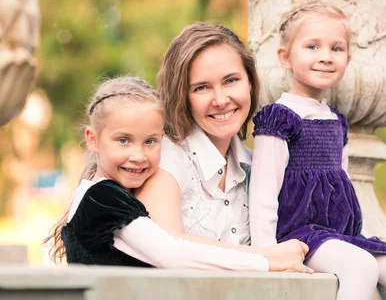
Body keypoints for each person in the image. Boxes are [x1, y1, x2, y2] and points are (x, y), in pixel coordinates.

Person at [249, 2, 386, 299]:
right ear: (285, 57)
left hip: (339, 236)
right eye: (312, 46)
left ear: (348, 57)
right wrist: (267, 256)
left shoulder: (336, 121)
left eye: (336, 48)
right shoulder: (279, 118)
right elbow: (263, 194)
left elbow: (341, 184)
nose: (325, 57)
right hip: (298, 236)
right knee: (361, 268)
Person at [134, 23, 312, 273]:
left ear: (250, 82)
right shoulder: (165, 157)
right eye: (202, 87)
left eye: (230, 81)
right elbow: (166, 245)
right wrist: (263, 258)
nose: (220, 100)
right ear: (182, 96)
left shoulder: (257, 166)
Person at [45, 76, 273, 270]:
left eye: (150, 141)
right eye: (123, 140)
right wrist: (266, 261)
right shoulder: (102, 198)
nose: (138, 155)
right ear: (92, 139)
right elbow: (173, 254)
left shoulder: (108, 195)